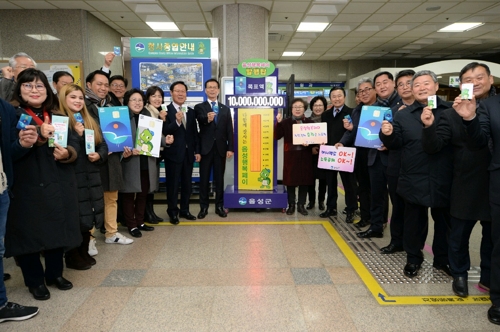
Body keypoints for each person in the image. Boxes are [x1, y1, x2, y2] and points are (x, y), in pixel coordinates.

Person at [6, 68, 81, 300]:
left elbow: (76, 144)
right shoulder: (12, 115)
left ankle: (55, 274)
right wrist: (25, 143)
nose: (34, 90)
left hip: (57, 181)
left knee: (57, 229)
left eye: (39, 86)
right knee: (29, 234)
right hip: (26, 184)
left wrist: (67, 153)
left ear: (47, 90)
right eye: (28, 85)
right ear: (19, 89)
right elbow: (6, 152)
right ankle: (35, 281)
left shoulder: (57, 114)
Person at [380, 70, 452, 278]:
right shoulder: (403, 115)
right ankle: (413, 258)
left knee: (444, 223)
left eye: (426, 84)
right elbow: (396, 144)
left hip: (443, 177)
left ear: (436, 86)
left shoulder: (449, 111)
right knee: (413, 222)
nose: (421, 88)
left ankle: (442, 259)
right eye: (417, 85)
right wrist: (387, 135)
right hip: (413, 177)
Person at [454, 82, 500, 326]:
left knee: (492, 236)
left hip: (490, 180)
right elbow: (480, 140)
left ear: (490, 79)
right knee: (463, 231)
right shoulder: (488, 107)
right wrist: (470, 117)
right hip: (472, 179)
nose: (476, 81)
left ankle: (489, 277)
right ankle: (462, 274)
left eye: (480, 76)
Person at [57, 83, 108, 270]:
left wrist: (99, 155)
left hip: (92, 176)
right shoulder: (61, 122)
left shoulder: (89, 119)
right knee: (75, 218)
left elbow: (102, 144)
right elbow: (63, 152)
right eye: (73, 97)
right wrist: (79, 136)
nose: (78, 101)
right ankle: (72, 255)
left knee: (89, 216)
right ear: (63, 98)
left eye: (80, 98)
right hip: (72, 178)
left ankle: (84, 250)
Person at [0, 98, 39, 322]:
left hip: (3, 185)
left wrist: (24, 144)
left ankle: (1, 304)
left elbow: (9, 150)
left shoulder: (5, 109)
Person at [85, 70, 134, 244]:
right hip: (93, 160)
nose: (104, 88)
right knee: (91, 200)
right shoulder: (83, 106)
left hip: (112, 161)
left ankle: (111, 233)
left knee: (111, 198)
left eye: (106, 85)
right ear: (89, 85)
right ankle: (88, 238)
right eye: (100, 84)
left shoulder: (111, 107)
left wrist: (124, 149)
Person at [120, 89, 172, 237]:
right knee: (129, 195)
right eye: (133, 100)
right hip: (130, 161)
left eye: (140, 100)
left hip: (146, 161)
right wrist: (128, 150)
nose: (137, 103)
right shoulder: (123, 118)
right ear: (127, 102)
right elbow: (116, 139)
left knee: (143, 194)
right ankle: (131, 225)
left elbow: (155, 136)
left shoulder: (147, 116)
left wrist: (165, 141)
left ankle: (140, 221)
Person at [357, 71, 401, 239]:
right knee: (376, 195)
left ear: (393, 83)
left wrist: (389, 144)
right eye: (379, 84)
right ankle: (376, 227)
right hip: (374, 157)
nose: (382, 86)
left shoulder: (401, 105)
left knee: (397, 199)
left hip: (395, 159)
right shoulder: (373, 108)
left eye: (385, 82)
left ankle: (398, 237)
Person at [380, 69, 415, 254]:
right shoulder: (391, 111)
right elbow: (384, 136)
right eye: (400, 84)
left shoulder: (425, 110)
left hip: (418, 168)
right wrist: (386, 137)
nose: (404, 87)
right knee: (397, 205)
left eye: (408, 83)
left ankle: (413, 248)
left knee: (415, 210)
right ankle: (396, 241)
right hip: (395, 166)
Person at [336, 78, 376, 228]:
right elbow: (351, 131)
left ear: (374, 90)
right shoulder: (357, 110)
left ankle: (378, 221)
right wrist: (342, 142)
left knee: (377, 190)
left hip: (377, 154)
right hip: (360, 153)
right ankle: (365, 217)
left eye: (367, 90)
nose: (364, 94)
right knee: (363, 187)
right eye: (361, 91)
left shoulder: (383, 108)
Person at [195, 78, 234, 219]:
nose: (212, 89)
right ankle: (203, 208)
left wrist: (231, 148)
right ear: (205, 90)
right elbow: (199, 121)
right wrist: (207, 119)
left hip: (221, 149)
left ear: (218, 90)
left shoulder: (225, 109)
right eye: (209, 87)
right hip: (205, 149)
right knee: (204, 179)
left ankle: (219, 206)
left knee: (219, 179)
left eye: (214, 87)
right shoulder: (200, 107)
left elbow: (229, 129)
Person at [163, 81, 200, 224]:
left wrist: (196, 150)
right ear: (171, 93)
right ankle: (172, 212)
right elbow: (164, 131)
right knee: (172, 185)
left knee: (187, 184)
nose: (180, 94)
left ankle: (185, 210)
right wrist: (177, 122)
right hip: (173, 154)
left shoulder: (190, 112)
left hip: (188, 154)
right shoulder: (164, 110)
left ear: (186, 94)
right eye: (177, 91)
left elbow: (193, 134)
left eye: (183, 91)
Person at [319, 87, 357, 221]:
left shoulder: (352, 112)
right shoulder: (326, 114)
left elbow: (354, 133)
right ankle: (331, 208)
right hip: (329, 153)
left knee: (349, 183)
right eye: (333, 96)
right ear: (330, 98)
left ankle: (351, 209)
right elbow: (322, 132)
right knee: (330, 182)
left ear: (344, 97)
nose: (336, 98)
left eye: (339, 96)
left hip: (345, 154)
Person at [275, 98, 314, 216]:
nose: (297, 109)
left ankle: (301, 205)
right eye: (295, 107)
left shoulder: (310, 123)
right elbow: (277, 136)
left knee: (304, 181)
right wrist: (278, 123)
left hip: (305, 156)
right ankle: (291, 204)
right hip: (291, 156)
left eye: (300, 107)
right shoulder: (286, 122)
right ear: (291, 109)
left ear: (304, 109)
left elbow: (316, 140)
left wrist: (310, 143)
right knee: (290, 181)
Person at [143, 86, 168, 223]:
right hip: (148, 154)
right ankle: (147, 214)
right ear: (148, 98)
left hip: (157, 154)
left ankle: (151, 212)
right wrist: (161, 120)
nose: (157, 99)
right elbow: (152, 134)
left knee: (152, 185)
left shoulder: (159, 112)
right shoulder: (146, 112)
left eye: (159, 96)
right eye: (154, 96)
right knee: (148, 185)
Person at [307, 96, 328, 211]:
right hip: (311, 155)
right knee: (310, 179)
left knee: (323, 180)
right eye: (315, 105)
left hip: (325, 155)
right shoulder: (307, 121)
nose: (318, 108)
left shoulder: (328, 120)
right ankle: (311, 201)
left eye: (320, 105)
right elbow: (303, 138)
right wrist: (312, 148)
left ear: (324, 107)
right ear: (312, 107)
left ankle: (321, 201)